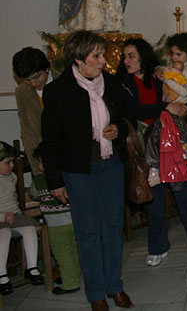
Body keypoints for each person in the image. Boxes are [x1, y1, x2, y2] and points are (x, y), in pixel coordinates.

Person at [41, 30, 133, 311]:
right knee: (88, 231)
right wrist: (55, 181)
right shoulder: (58, 90)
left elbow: (127, 118)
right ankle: (95, 293)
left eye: (103, 54)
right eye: (97, 55)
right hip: (79, 170)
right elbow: (50, 140)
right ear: (79, 58)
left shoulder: (112, 83)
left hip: (111, 166)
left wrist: (119, 128)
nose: (103, 60)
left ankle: (114, 286)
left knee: (113, 227)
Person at [116, 38, 187, 268]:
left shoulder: (159, 74)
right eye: (125, 57)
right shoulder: (122, 82)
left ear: (143, 56)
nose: (127, 60)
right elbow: (132, 110)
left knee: (186, 197)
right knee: (154, 200)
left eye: (131, 55)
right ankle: (158, 246)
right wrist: (165, 107)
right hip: (146, 146)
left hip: (172, 142)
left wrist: (183, 109)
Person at [30, 143, 81, 295]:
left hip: (56, 225)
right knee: (74, 250)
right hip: (74, 220)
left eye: (40, 162)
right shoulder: (68, 177)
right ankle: (71, 275)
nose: (39, 165)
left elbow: (33, 195)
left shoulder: (38, 181)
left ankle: (70, 283)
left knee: (63, 254)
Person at [0, 142, 44, 296]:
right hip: (0, 218)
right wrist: (3, 217)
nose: (12, 165)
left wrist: (15, 214)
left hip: (15, 214)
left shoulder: (11, 176)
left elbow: (14, 199)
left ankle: (32, 268)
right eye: (7, 163)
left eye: (12, 161)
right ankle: (2, 275)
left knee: (29, 228)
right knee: (4, 233)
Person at [12, 47, 53, 175]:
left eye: (37, 77)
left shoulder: (63, 82)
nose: (33, 83)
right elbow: (27, 131)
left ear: (47, 68)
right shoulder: (21, 92)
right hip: (41, 155)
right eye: (27, 80)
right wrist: (37, 167)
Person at [159, 32, 187, 105]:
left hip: (181, 106)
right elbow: (169, 70)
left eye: (178, 54)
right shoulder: (178, 64)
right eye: (172, 53)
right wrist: (160, 69)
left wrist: (166, 81)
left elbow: (184, 92)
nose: (174, 57)